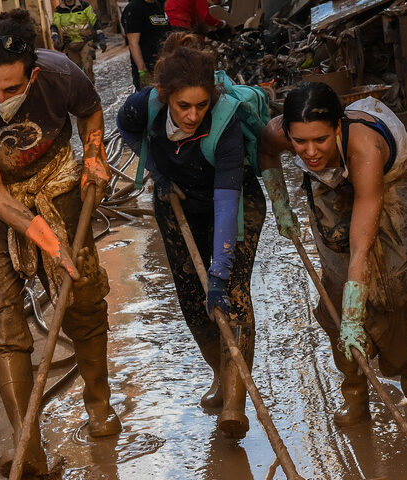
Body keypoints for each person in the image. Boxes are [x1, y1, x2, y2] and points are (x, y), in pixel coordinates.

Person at [0, 9, 119, 477]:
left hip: (57, 181)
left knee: (82, 295)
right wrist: (47, 241)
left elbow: (90, 112)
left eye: (12, 89)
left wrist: (94, 155)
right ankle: (27, 438)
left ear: (33, 74)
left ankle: (98, 402)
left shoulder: (62, 74)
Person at [257, 82, 407, 426]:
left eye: (320, 140)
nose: (309, 151)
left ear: (338, 127)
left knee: (396, 284)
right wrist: (280, 203)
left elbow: (361, 247)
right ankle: (355, 390)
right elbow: (265, 151)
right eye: (300, 142)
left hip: (388, 182)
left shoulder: (365, 148)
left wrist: (358, 316)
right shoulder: (281, 133)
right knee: (338, 291)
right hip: (330, 181)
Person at [116, 32, 264, 439]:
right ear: (164, 96)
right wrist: (158, 172)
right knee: (192, 298)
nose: (193, 115)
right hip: (176, 198)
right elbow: (125, 130)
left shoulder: (226, 121)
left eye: (201, 105)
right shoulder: (140, 106)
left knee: (231, 293)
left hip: (235, 203)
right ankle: (220, 372)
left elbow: (226, 203)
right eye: (183, 106)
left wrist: (219, 272)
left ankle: (235, 404)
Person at [53, 0, 106, 85]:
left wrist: (101, 38)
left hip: (85, 42)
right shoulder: (59, 10)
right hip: (69, 45)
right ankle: (79, 95)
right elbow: (54, 26)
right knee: (74, 73)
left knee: (87, 68)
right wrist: (55, 38)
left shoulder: (84, 6)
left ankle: (91, 92)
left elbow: (95, 22)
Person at [121, 0, 171, 90]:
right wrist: (142, 71)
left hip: (163, 68)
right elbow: (133, 44)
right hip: (147, 68)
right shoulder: (134, 8)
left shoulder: (157, 5)